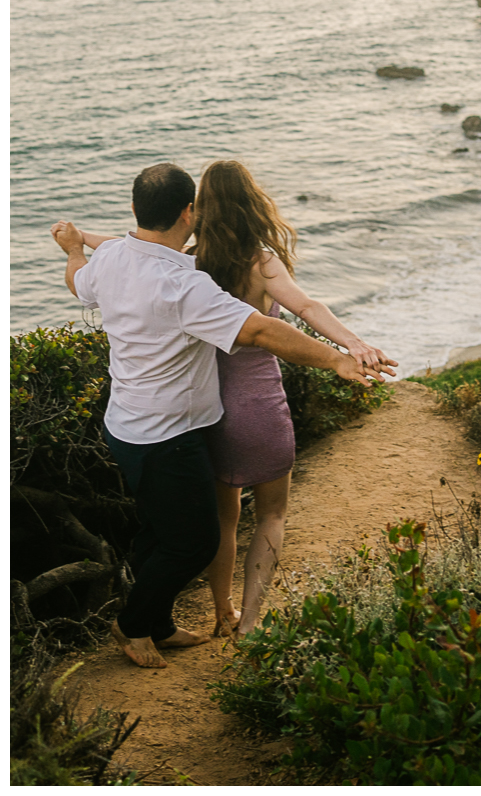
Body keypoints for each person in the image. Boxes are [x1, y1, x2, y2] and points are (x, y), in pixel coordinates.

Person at [50, 162, 395, 670]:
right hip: (172, 431)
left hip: (127, 425)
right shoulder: (187, 282)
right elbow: (261, 331)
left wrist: (78, 246)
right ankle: (135, 626)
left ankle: (174, 621)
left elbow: (79, 280)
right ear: (188, 212)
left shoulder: (125, 259)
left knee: (161, 530)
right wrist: (340, 356)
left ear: (135, 211)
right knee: (197, 540)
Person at [189, 159, 397, 636]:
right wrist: (353, 344)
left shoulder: (190, 261)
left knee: (225, 518)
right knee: (272, 515)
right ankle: (250, 622)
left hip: (208, 409)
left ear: (202, 206)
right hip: (260, 409)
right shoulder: (260, 262)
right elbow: (306, 306)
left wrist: (80, 243)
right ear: (251, 202)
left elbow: (129, 251)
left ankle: (222, 611)